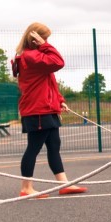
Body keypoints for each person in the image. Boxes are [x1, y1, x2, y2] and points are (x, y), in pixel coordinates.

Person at [12, 22, 86, 198]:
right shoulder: (31, 56)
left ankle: (64, 184)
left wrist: (59, 101)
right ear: (35, 38)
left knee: (54, 146)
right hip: (38, 110)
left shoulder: (36, 56)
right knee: (33, 148)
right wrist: (44, 45)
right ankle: (26, 188)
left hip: (46, 109)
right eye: (44, 38)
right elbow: (58, 62)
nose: (46, 41)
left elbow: (49, 82)